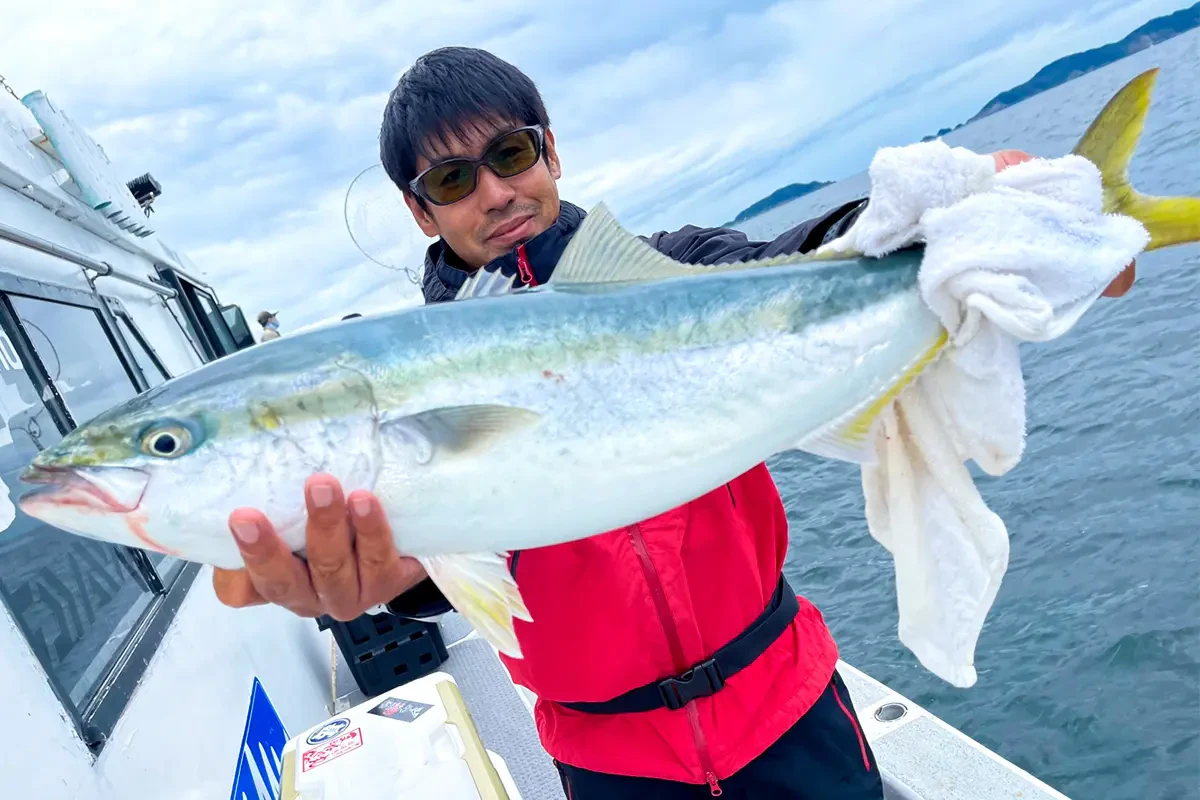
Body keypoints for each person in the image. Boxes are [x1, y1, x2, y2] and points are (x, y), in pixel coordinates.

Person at [213, 47, 1136, 799]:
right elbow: (439, 567)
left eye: (512, 154)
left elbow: (797, 263)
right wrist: (394, 578)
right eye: (455, 177)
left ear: (552, 152)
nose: (495, 192)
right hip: (612, 761)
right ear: (420, 209)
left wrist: (969, 232)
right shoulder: (401, 372)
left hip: (788, 700)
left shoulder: (677, 267)